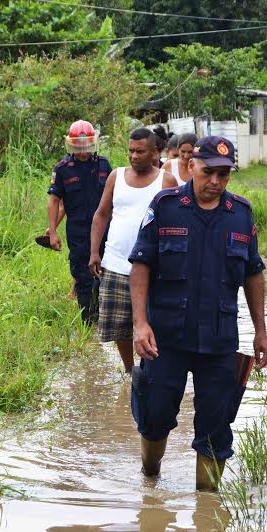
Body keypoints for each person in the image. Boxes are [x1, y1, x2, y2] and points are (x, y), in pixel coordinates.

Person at [128, 135, 267, 491]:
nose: (215, 182)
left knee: (216, 428)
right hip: (166, 339)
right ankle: (150, 478)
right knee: (155, 415)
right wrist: (140, 324)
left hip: (219, 341)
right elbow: (141, 265)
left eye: (224, 175)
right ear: (191, 166)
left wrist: (261, 330)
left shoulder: (240, 214)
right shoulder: (166, 206)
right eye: (209, 172)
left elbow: (253, 272)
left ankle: (207, 508)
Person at [89, 128, 177, 374]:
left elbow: (173, 223)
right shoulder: (116, 176)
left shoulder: (165, 181)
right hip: (116, 261)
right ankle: (130, 371)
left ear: (154, 153)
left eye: (140, 151)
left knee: (153, 321)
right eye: (130, 151)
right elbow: (102, 214)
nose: (134, 156)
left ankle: (152, 368)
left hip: (153, 267)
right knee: (120, 325)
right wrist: (94, 252)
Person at [47, 120, 111, 324]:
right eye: (78, 146)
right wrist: (53, 231)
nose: (82, 151)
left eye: (85, 146)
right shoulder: (63, 169)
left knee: (104, 273)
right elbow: (55, 201)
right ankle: (88, 321)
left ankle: (102, 317)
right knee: (82, 276)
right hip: (78, 232)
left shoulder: (103, 165)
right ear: (71, 144)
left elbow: (115, 197)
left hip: (104, 231)